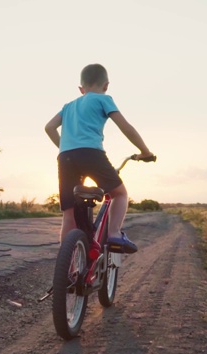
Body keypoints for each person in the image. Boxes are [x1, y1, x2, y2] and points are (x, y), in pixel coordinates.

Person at [44, 63, 154, 253]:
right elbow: (125, 126)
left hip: (65, 157)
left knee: (69, 213)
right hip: (91, 153)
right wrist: (145, 151)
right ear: (106, 86)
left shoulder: (68, 106)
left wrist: (65, 146)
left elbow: (49, 127)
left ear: (81, 89)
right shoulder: (103, 99)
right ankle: (114, 235)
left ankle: (65, 265)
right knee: (119, 194)